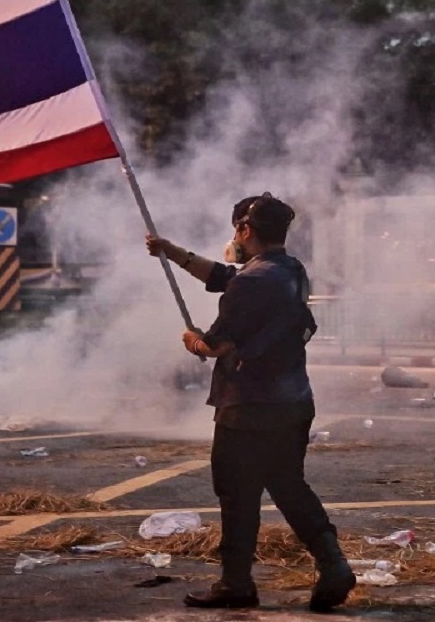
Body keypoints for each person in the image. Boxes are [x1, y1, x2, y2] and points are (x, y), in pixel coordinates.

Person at [145, 192, 355, 612]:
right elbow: (225, 275)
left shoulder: (252, 282)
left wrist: (192, 340)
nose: (233, 238)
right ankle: (333, 566)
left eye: (235, 229)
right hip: (292, 402)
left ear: (245, 229)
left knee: (237, 495)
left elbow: (214, 345)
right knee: (288, 486)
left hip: (249, 407)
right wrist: (172, 253)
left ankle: (236, 583)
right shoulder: (289, 270)